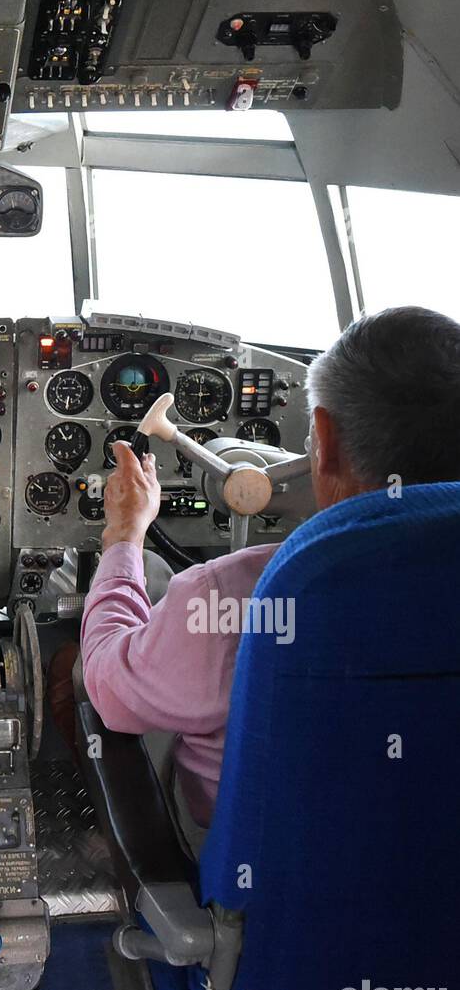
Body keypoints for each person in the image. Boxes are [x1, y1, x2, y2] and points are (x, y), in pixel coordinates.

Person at [76, 306, 460, 833]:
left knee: (99, 638)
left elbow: (110, 687)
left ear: (323, 439)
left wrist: (124, 537)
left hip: (256, 900)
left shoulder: (233, 597)